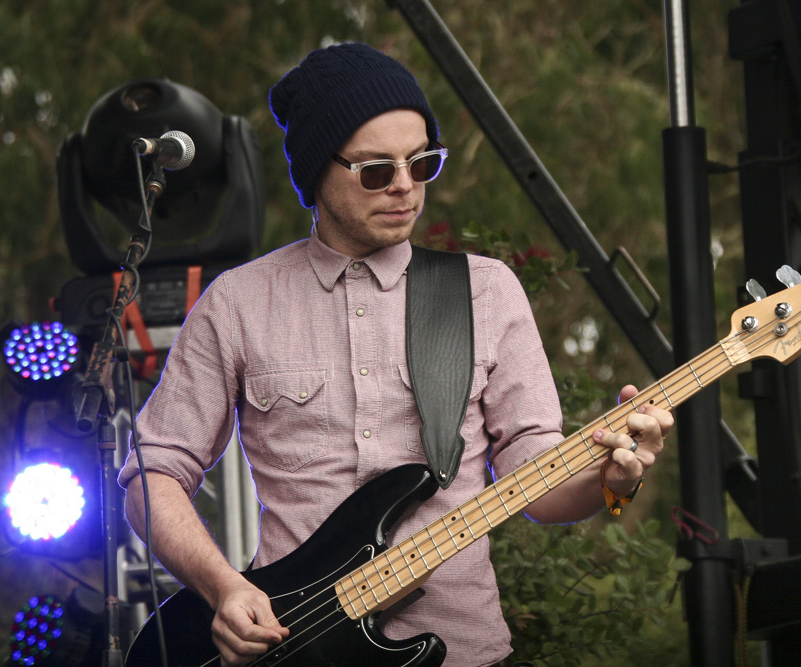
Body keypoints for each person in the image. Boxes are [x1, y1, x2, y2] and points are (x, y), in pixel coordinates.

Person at [119, 42, 673, 667]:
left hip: (464, 651)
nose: (406, 187)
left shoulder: (484, 291)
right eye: (377, 171)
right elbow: (153, 472)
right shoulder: (238, 303)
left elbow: (537, 487)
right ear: (316, 174)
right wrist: (224, 588)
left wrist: (609, 479)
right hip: (290, 647)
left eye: (422, 163)